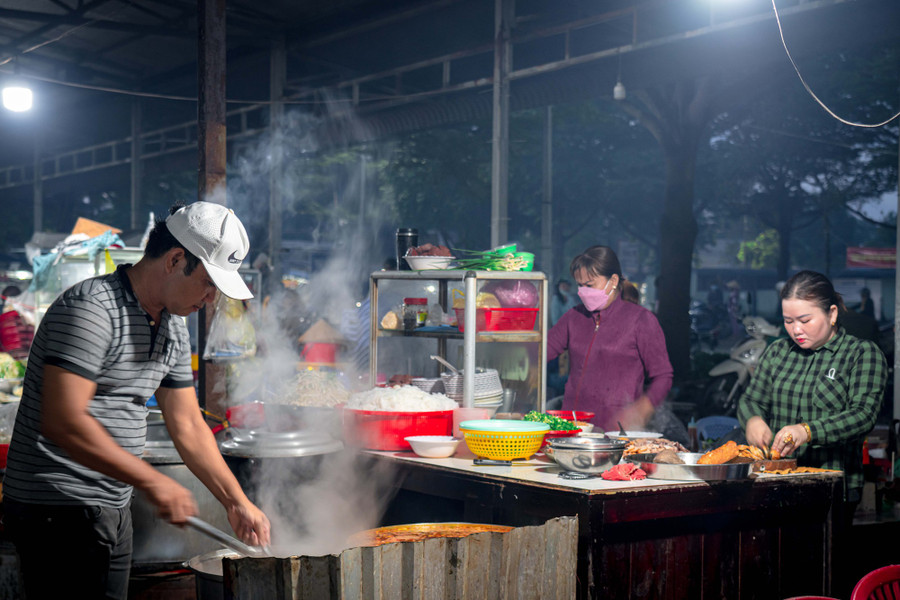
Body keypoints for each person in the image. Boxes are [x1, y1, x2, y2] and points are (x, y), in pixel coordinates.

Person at [2, 201, 271, 599]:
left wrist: (236, 501)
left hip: (112, 504)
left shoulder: (172, 327)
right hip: (57, 509)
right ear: (175, 260)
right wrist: (152, 480)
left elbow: (187, 424)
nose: (211, 297)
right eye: (208, 282)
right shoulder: (92, 309)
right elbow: (63, 420)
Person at [737, 270, 887, 519]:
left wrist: (807, 431)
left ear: (832, 314)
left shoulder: (861, 354)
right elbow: (751, 400)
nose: (796, 329)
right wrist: (752, 419)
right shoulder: (778, 352)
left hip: (832, 487)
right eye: (788, 321)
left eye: (805, 320)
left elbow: (863, 415)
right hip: (775, 483)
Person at [547, 245, 673, 432]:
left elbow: (663, 376)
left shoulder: (641, 320)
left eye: (590, 285)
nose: (583, 291)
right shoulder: (573, 317)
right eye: (580, 285)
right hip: (572, 429)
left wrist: (642, 409)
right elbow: (541, 351)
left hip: (617, 431)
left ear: (613, 281)